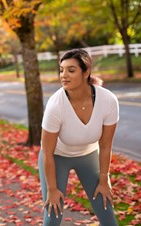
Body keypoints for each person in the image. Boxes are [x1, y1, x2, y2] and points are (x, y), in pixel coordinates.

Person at [38, 49, 119, 226]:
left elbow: (105, 146)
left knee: (106, 210)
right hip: (56, 157)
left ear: (86, 72)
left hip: (88, 155)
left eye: (71, 70)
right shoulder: (55, 105)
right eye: (61, 70)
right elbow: (48, 153)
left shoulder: (108, 101)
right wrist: (52, 189)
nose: (63, 75)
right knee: (53, 215)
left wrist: (104, 180)